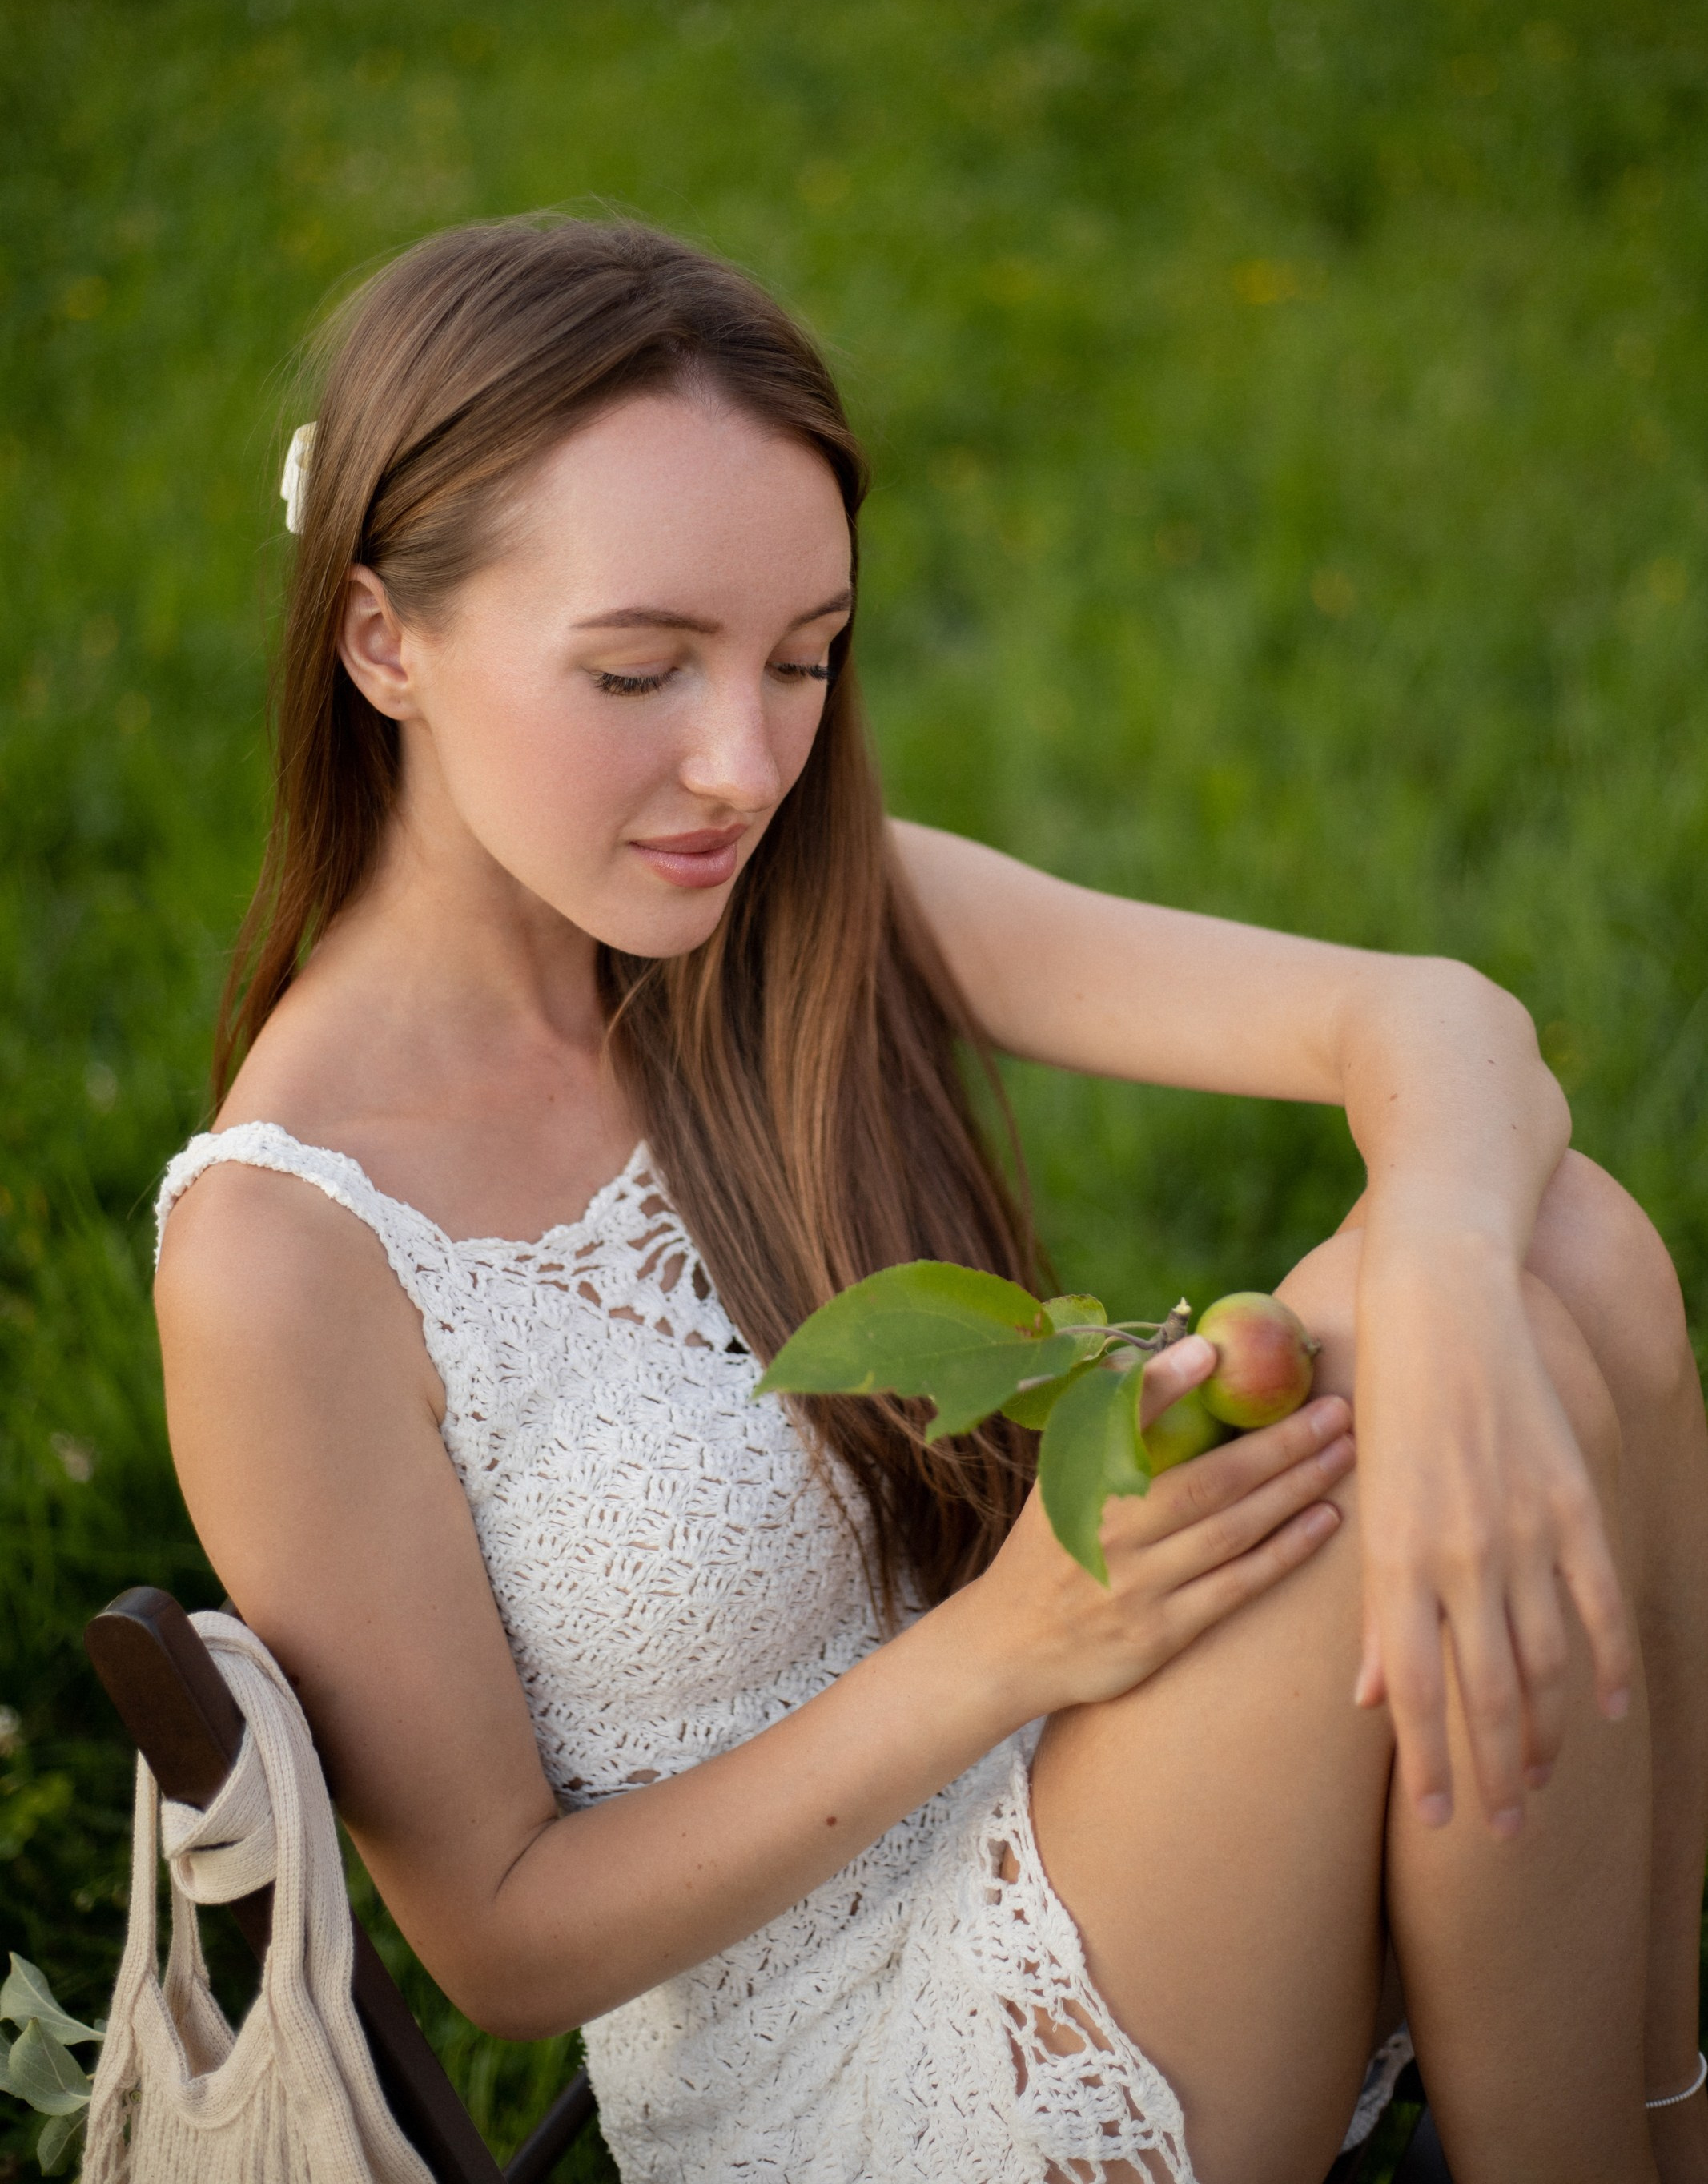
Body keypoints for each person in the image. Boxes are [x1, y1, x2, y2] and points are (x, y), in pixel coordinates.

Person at [153, 218, 1708, 2184]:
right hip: (827, 2076)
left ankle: (1652, 2117)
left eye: (805, 657)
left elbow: (1430, 1023)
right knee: (1384, 1378)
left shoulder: (792, 916)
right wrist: (1006, 1644)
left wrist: (1463, 1304)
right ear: (386, 639)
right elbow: (502, 1938)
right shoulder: (285, 1251)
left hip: (1077, 1777)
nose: (744, 762)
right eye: (640, 669)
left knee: (1562, 1248)